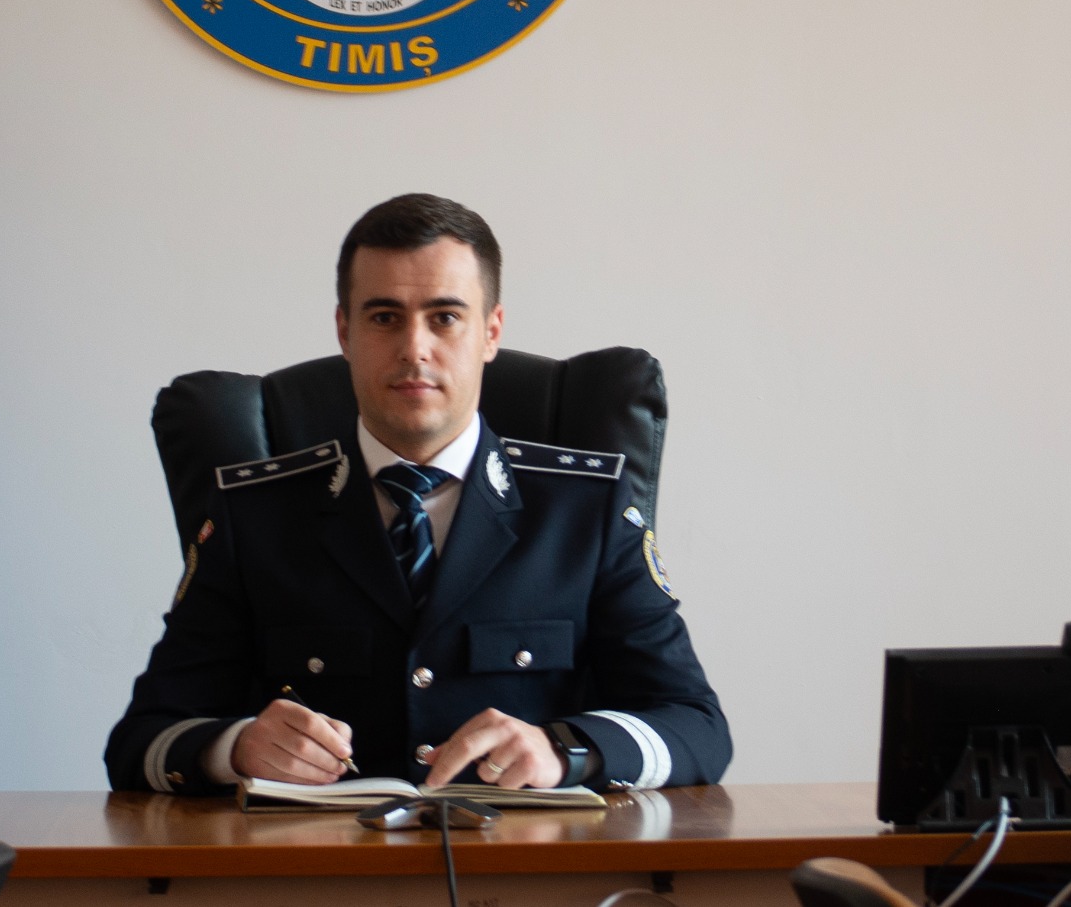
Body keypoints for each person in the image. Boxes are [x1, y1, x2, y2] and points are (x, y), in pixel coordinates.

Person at [105, 194, 730, 794]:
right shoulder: (256, 516)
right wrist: (235, 749)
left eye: (445, 317)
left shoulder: (585, 509)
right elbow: (140, 743)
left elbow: (697, 726)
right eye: (384, 318)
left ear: (491, 332)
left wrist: (566, 751)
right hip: (320, 856)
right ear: (344, 332)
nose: (414, 349)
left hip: (524, 852)